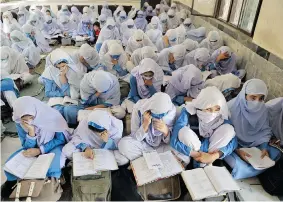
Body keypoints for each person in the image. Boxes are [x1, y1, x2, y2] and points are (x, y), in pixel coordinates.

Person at [4, 96, 71, 201]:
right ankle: (20, 185)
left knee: (55, 165)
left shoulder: (52, 116)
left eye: (32, 118)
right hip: (34, 148)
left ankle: (50, 184)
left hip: (53, 146)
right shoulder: (19, 122)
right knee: (10, 163)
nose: (29, 122)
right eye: (25, 120)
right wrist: (31, 133)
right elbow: (25, 146)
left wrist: (40, 150)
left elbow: (60, 140)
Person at [224, 79, 281, 179]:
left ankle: (253, 168)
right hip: (232, 146)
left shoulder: (262, 109)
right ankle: (246, 169)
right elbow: (224, 134)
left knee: (276, 153)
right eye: (253, 97)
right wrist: (237, 150)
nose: (257, 102)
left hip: (254, 146)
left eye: (261, 98)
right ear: (244, 95)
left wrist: (264, 148)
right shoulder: (230, 108)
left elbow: (265, 130)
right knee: (237, 165)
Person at [170, 86, 237, 167]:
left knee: (229, 130)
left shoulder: (221, 116)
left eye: (217, 109)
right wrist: (196, 154)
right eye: (208, 109)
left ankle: (204, 163)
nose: (213, 113)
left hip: (211, 150)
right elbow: (174, 139)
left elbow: (234, 142)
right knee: (183, 132)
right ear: (201, 106)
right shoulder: (188, 111)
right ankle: (199, 162)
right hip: (192, 149)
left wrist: (213, 156)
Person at [118, 92, 190, 165]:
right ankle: (158, 162)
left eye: (161, 115)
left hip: (163, 147)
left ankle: (147, 161)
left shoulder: (173, 113)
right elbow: (135, 136)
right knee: (123, 144)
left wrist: (166, 131)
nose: (158, 118)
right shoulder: (139, 109)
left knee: (184, 156)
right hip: (145, 145)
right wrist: (145, 125)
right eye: (155, 115)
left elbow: (174, 140)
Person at [61, 110, 128, 167]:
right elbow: (77, 137)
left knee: (123, 159)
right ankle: (93, 162)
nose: (97, 134)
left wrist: (107, 141)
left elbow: (117, 145)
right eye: (94, 130)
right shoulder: (86, 121)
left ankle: (83, 162)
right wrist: (85, 148)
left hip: (106, 150)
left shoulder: (116, 126)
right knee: (67, 149)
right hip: (88, 147)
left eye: (99, 131)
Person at [40, 48, 84, 125]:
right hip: (59, 97)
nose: (62, 69)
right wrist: (62, 93)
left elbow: (78, 89)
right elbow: (48, 93)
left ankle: (73, 126)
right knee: (57, 111)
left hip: (74, 96)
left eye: (63, 66)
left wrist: (63, 78)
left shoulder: (72, 69)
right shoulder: (49, 72)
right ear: (54, 65)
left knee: (69, 111)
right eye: (58, 67)